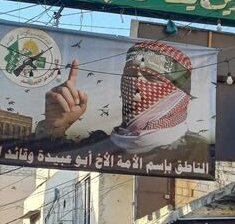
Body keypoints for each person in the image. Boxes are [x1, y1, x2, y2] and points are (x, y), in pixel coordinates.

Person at [33, 41, 209, 159]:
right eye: (130, 75)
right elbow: (46, 158)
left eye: (151, 78)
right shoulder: (99, 144)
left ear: (177, 94)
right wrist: (55, 127)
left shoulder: (197, 151)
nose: (136, 84)